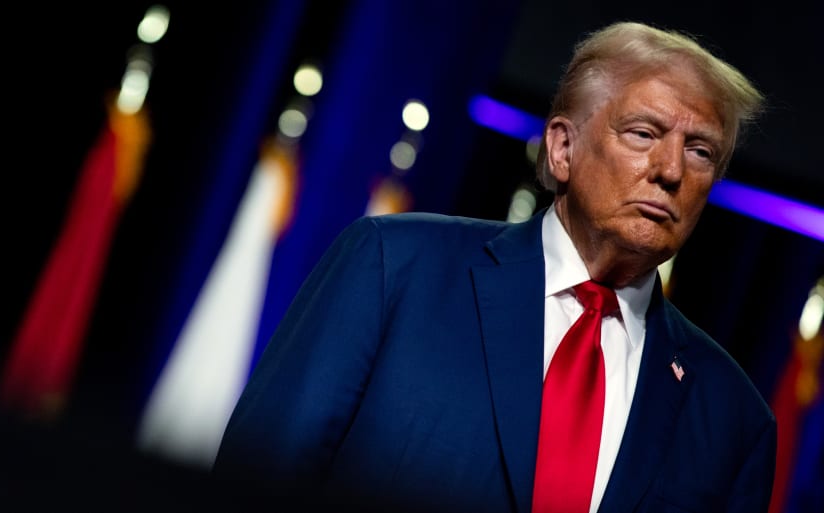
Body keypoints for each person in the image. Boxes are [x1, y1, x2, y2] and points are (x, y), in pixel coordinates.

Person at [212, 21, 776, 513]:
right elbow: (254, 479)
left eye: (701, 151)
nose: (672, 170)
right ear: (562, 149)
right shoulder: (394, 268)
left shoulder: (732, 419)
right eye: (644, 133)